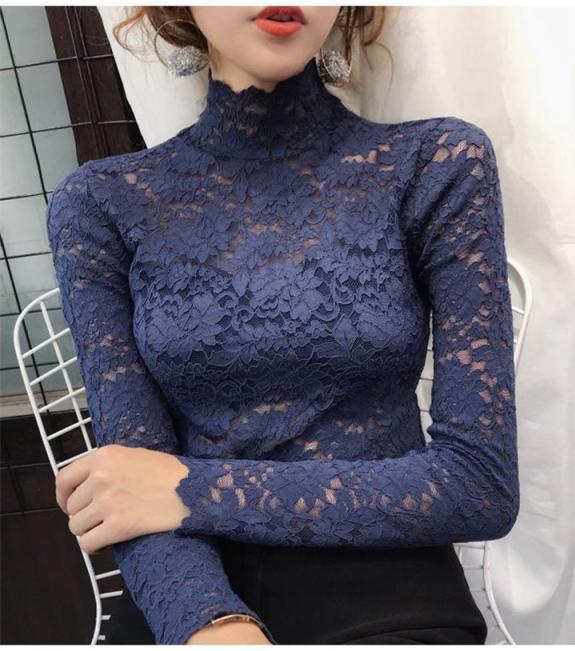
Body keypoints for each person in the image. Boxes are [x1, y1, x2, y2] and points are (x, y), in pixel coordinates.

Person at [48, 5, 519, 646]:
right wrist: (212, 625)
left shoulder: (434, 163)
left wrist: (190, 489)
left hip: (392, 590)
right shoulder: (103, 202)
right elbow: (131, 485)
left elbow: (480, 486)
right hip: (188, 585)